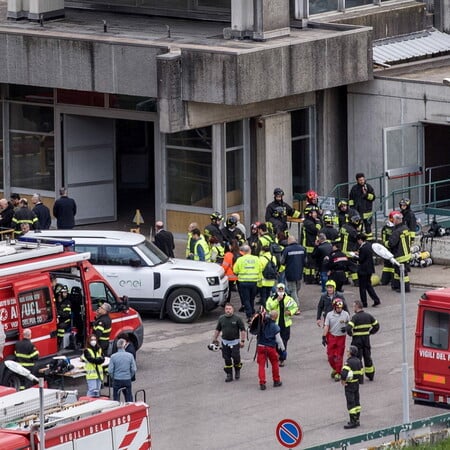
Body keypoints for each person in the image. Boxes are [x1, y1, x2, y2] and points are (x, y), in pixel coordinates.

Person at [211, 303, 246, 382]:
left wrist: (242, 341)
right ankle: (229, 374)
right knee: (227, 359)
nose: (228, 310)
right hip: (225, 343)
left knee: (236, 357)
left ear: (233, 310)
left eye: (230, 309)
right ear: (224, 310)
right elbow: (218, 329)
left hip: (235, 342)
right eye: (226, 309)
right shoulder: (221, 318)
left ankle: (237, 370)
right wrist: (214, 339)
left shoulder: (237, 319)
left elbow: (243, 330)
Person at [265, 283, 298, 366]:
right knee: (275, 341)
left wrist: (290, 312)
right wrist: (277, 301)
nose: (280, 291)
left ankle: (282, 358)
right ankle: (276, 356)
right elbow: (269, 307)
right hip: (275, 324)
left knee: (284, 340)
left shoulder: (288, 299)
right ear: (276, 290)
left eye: (282, 289)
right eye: (279, 289)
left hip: (285, 324)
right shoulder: (272, 298)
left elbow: (295, 306)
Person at [346, 300, 379, 382]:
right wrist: (370, 332)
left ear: (357, 307)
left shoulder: (355, 317)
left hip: (357, 341)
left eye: (353, 306)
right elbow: (377, 326)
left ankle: (359, 377)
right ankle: (370, 375)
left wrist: (351, 334)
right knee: (367, 357)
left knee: (358, 359)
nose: (353, 308)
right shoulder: (368, 316)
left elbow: (348, 328)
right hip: (366, 340)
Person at [255, 310, 286, 390]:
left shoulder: (262, 324)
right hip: (270, 348)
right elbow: (279, 340)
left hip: (261, 346)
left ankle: (262, 382)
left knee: (261, 365)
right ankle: (276, 381)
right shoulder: (275, 327)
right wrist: (283, 350)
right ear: (276, 317)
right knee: (275, 363)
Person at [322, 298, 350, 381]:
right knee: (330, 356)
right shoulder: (329, 315)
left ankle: (338, 372)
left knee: (339, 356)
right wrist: (324, 336)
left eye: (340, 308)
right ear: (334, 307)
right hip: (331, 336)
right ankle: (335, 368)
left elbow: (350, 324)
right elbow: (326, 326)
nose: (339, 309)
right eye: (338, 308)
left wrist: (346, 328)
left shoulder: (345, 314)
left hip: (341, 337)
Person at [233, 245, 261, 323]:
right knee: (252, 298)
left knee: (246, 299)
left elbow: (235, 270)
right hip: (254, 282)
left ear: (243, 252)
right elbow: (260, 269)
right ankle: (252, 311)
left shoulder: (240, 259)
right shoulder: (256, 258)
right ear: (250, 251)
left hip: (244, 282)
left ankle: (249, 315)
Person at [388, 211, 411, 293]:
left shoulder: (397, 231)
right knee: (399, 272)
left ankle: (405, 288)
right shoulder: (405, 228)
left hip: (400, 255)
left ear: (397, 220)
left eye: (393, 220)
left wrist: (386, 243)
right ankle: (397, 286)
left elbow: (391, 243)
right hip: (406, 254)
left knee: (401, 273)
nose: (393, 221)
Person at [280, 235, 305, 310]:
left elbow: (282, 261)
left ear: (289, 241)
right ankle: (293, 302)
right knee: (297, 289)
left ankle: (296, 307)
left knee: (292, 290)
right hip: (300, 272)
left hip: (290, 272)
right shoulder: (302, 248)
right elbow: (305, 260)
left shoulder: (287, 249)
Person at [341, 345, 363, 429]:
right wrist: (360, 381)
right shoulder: (358, 361)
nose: (347, 352)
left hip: (349, 385)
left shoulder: (348, 362)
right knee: (357, 401)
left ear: (350, 353)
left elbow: (344, 373)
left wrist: (343, 380)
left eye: (348, 351)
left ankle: (352, 421)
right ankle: (357, 419)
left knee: (351, 402)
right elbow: (361, 371)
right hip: (356, 384)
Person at [356, 233, 381, 307]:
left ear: (360, 240)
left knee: (362, 287)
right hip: (369, 269)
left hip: (363, 270)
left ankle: (364, 302)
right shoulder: (369, 245)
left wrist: (355, 257)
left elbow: (361, 259)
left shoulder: (363, 248)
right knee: (368, 285)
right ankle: (376, 299)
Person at [348, 173, 376, 240]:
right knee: (358, 228)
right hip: (357, 212)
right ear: (357, 181)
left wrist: (366, 194)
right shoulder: (354, 189)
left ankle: (369, 242)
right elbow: (351, 199)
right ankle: (359, 242)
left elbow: (373, 198)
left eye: (363, 179)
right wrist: (352, 209)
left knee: (368, 229)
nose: (362, 181)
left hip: (367, 212)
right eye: (360, 180)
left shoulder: (368, 187)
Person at [301, 205, 321, 284]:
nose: (316, 214)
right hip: (309, 246)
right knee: (310, 265)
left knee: (308, 265)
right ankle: (310, 279)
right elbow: (316, 230)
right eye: (314, 213)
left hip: (309, 245)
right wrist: (318, 222)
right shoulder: (309, 223)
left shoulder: (308, 222)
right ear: (309, 214)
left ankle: (308, 278)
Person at [81, 333, 105, 397]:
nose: (93, 341)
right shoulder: (86, 350)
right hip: (91, 375)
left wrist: (97, 360)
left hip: (99, 374)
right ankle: (87, 402)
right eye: (91, 340)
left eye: (94, 339)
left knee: (97, 391)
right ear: (89, 341)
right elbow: (91, 359)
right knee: (92, 391)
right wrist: (98, 360)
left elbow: (103, 359)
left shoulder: (99, 349)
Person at [380, 211, 396, 286]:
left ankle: (385, 280)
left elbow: (383, 239)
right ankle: (393, 281)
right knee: (393, 266)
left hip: (386, 249)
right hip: (393, 249)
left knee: (387, 266)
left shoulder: (385, 227)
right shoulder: (396, 228)